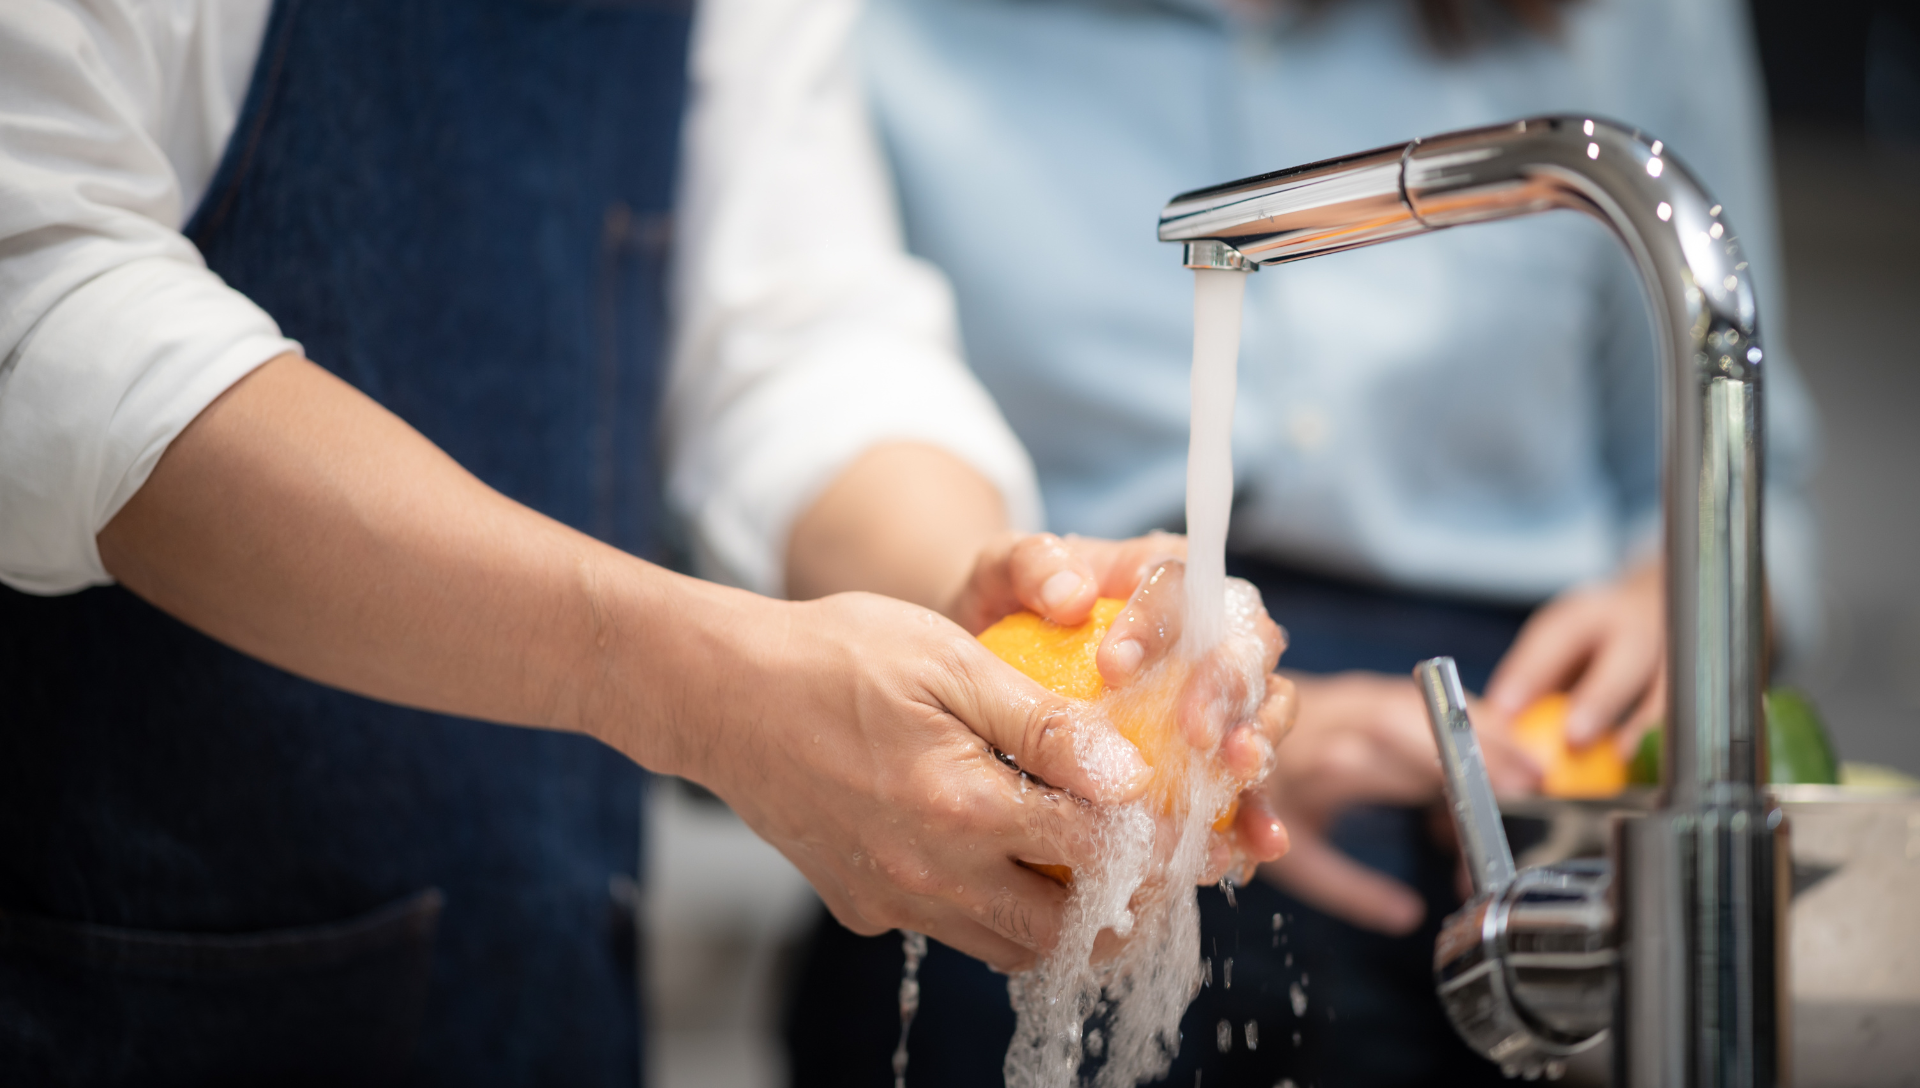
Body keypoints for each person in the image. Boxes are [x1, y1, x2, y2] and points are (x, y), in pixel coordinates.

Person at [0, 0, 1291, 1083]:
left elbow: (793, 339)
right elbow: (44, 294)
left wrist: (998, 604)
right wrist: (668, 680)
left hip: (532, 969)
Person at [779, 0, 1821, 1084]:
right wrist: (1238, 725)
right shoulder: (880, 29)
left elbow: (1761, 477)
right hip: (1079, 705)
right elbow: (799, 408)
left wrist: (1684, 600)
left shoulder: (1632, 23)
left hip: (1504, 769)